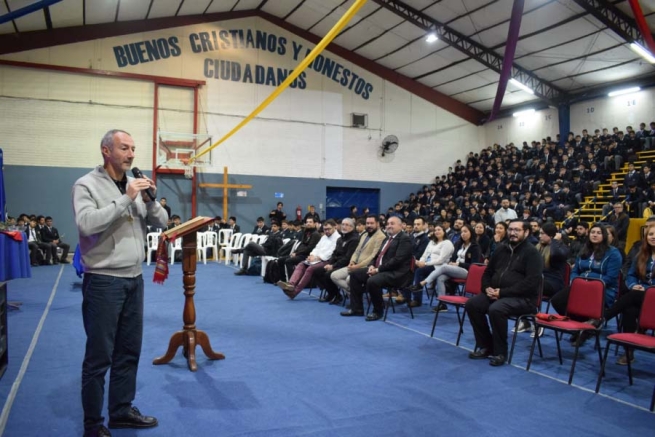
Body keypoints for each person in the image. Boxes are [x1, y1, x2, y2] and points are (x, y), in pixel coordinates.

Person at [73, 129, 168, 437]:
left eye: (133, 148)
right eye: (124, 148)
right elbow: (86, 225)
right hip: (103, 281)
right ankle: (92, 424)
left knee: (129, 350)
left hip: (134, 279)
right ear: (106, 151)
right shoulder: (86, 185)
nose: (131, 154)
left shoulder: (135, 186)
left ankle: (121, 411)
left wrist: (150, 201)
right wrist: (125, 198)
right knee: (99, 356)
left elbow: (163, 222)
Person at [465, 220, 543, 367]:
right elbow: (488, 272)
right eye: (511, 230)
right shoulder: (501, 249)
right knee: (472, 304)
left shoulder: (532, 253)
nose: (512, 233)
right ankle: (486, 346)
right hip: (497, 294)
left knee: (496, 309)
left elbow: (531, 283)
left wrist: (502, 292)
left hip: (523, 299)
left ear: (526, 233)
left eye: (517, 230)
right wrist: (486, 287)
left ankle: (500, 352)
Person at [550, 223, 622, 346]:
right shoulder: (584, 250)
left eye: (599, 233)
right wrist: (574, 281)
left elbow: (610, 277)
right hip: (580, 286)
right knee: (557, 300)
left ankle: (584, 330)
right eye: (593, 232)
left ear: (604, 236)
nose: (595, 235)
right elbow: (575, 271)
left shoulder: (613, 253)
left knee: (584, 302)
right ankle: (583, 325)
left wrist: (589, 284)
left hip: (603, 289)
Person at [340, 216, 413, 321]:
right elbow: (378, 256)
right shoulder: (387, 239)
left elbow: (397, 260)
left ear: (401, 226)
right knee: (355, 274)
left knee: (373, 281)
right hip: (382, 270)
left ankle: (378, 311)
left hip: (396, 273)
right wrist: (372, 266)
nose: (389, 226)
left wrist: (378, 270)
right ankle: (357, 309)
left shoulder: (404, 239)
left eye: (392, 223)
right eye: (388, 224)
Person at [604, 222, 655, 365]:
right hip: (641, 298)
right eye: (651, 234)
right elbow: (631, 275)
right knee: (629, 309)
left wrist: (647, 290)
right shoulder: (642, 255)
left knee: (631, 296)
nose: (653, 237)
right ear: (646, 237)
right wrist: (634, 284)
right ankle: (629, 351)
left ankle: (602, 318)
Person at [420, 224, 482, 313]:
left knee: (444, 267)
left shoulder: (475, 247)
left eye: (465, 232)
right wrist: (452, 263)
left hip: (467, 271)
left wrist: (458, 264)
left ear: (471, 233)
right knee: (440, 277)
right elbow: (452, 258)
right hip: (454, 269)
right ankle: (442, 304)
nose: (463, 234)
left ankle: (425, 282)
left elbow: (474, 265)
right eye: (462, 232)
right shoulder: (459, 243)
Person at [327, 215, 386, 300]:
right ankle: (355, 293)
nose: (369, 225)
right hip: (354, 264)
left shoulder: (381, 236)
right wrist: (352, 261)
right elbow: (357, 250)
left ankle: (355, 296)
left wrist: (357, 266)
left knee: (348, 279)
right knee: (334, 275)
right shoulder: (365, 234)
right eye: (367, 223)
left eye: (371, 223)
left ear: (377, 224)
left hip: (366, 267)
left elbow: (373, 256)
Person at [279, 219, 340, 299]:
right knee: (301, 264)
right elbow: (317, 248)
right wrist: (312, 255)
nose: (326, 231)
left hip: (328, 261)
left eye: (329, 229)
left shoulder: (338, 238)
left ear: (334, 227)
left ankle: (294, 292)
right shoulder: (324, 237)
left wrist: (316, 258)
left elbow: (331, 252)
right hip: (316, 259)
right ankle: (291, 284)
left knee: (310, 269)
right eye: (325, 229)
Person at [403, 224, 454, 307]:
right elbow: (425, 254)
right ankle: (405, 294)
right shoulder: (432, 242)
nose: (436, 232)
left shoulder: (447, 243)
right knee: (411, 268)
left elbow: (441, 260)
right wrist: (421, 262)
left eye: (439, 230)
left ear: (444, 232)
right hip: (428, 265)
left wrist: (425, 263)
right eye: (435, 230)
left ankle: (417, 299)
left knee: (419, 271)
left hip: (439, 267)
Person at [314, 218, 360, 304]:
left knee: (328, 274)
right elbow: (334, 253)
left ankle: (336, 295)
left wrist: (333, 266)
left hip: (347, 264)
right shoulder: (340, 239)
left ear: (352, 227)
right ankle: (333, 294)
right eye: (343, 224)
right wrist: (330, 263)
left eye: (347, 225)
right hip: (336, 263)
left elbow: (348, 257)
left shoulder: (354, 239)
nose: (344, 227)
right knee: (317, 271)